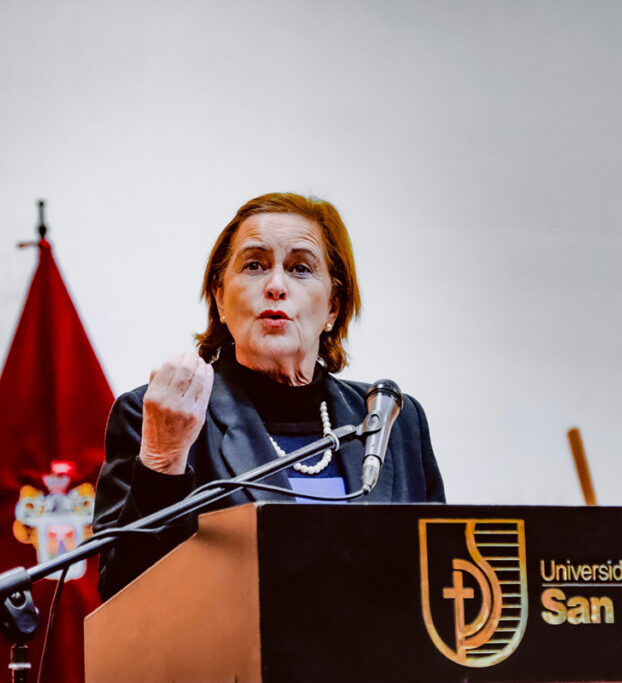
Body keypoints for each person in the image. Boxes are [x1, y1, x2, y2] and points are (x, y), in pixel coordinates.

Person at [92, 192, 445, 600]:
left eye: (300, 269)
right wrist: (162, 460)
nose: (276, 286)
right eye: (255, 265)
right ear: (220, 297)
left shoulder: (393, 420)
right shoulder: (160, 415)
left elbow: (438, 577)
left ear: (333, 307)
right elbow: (121, 597)